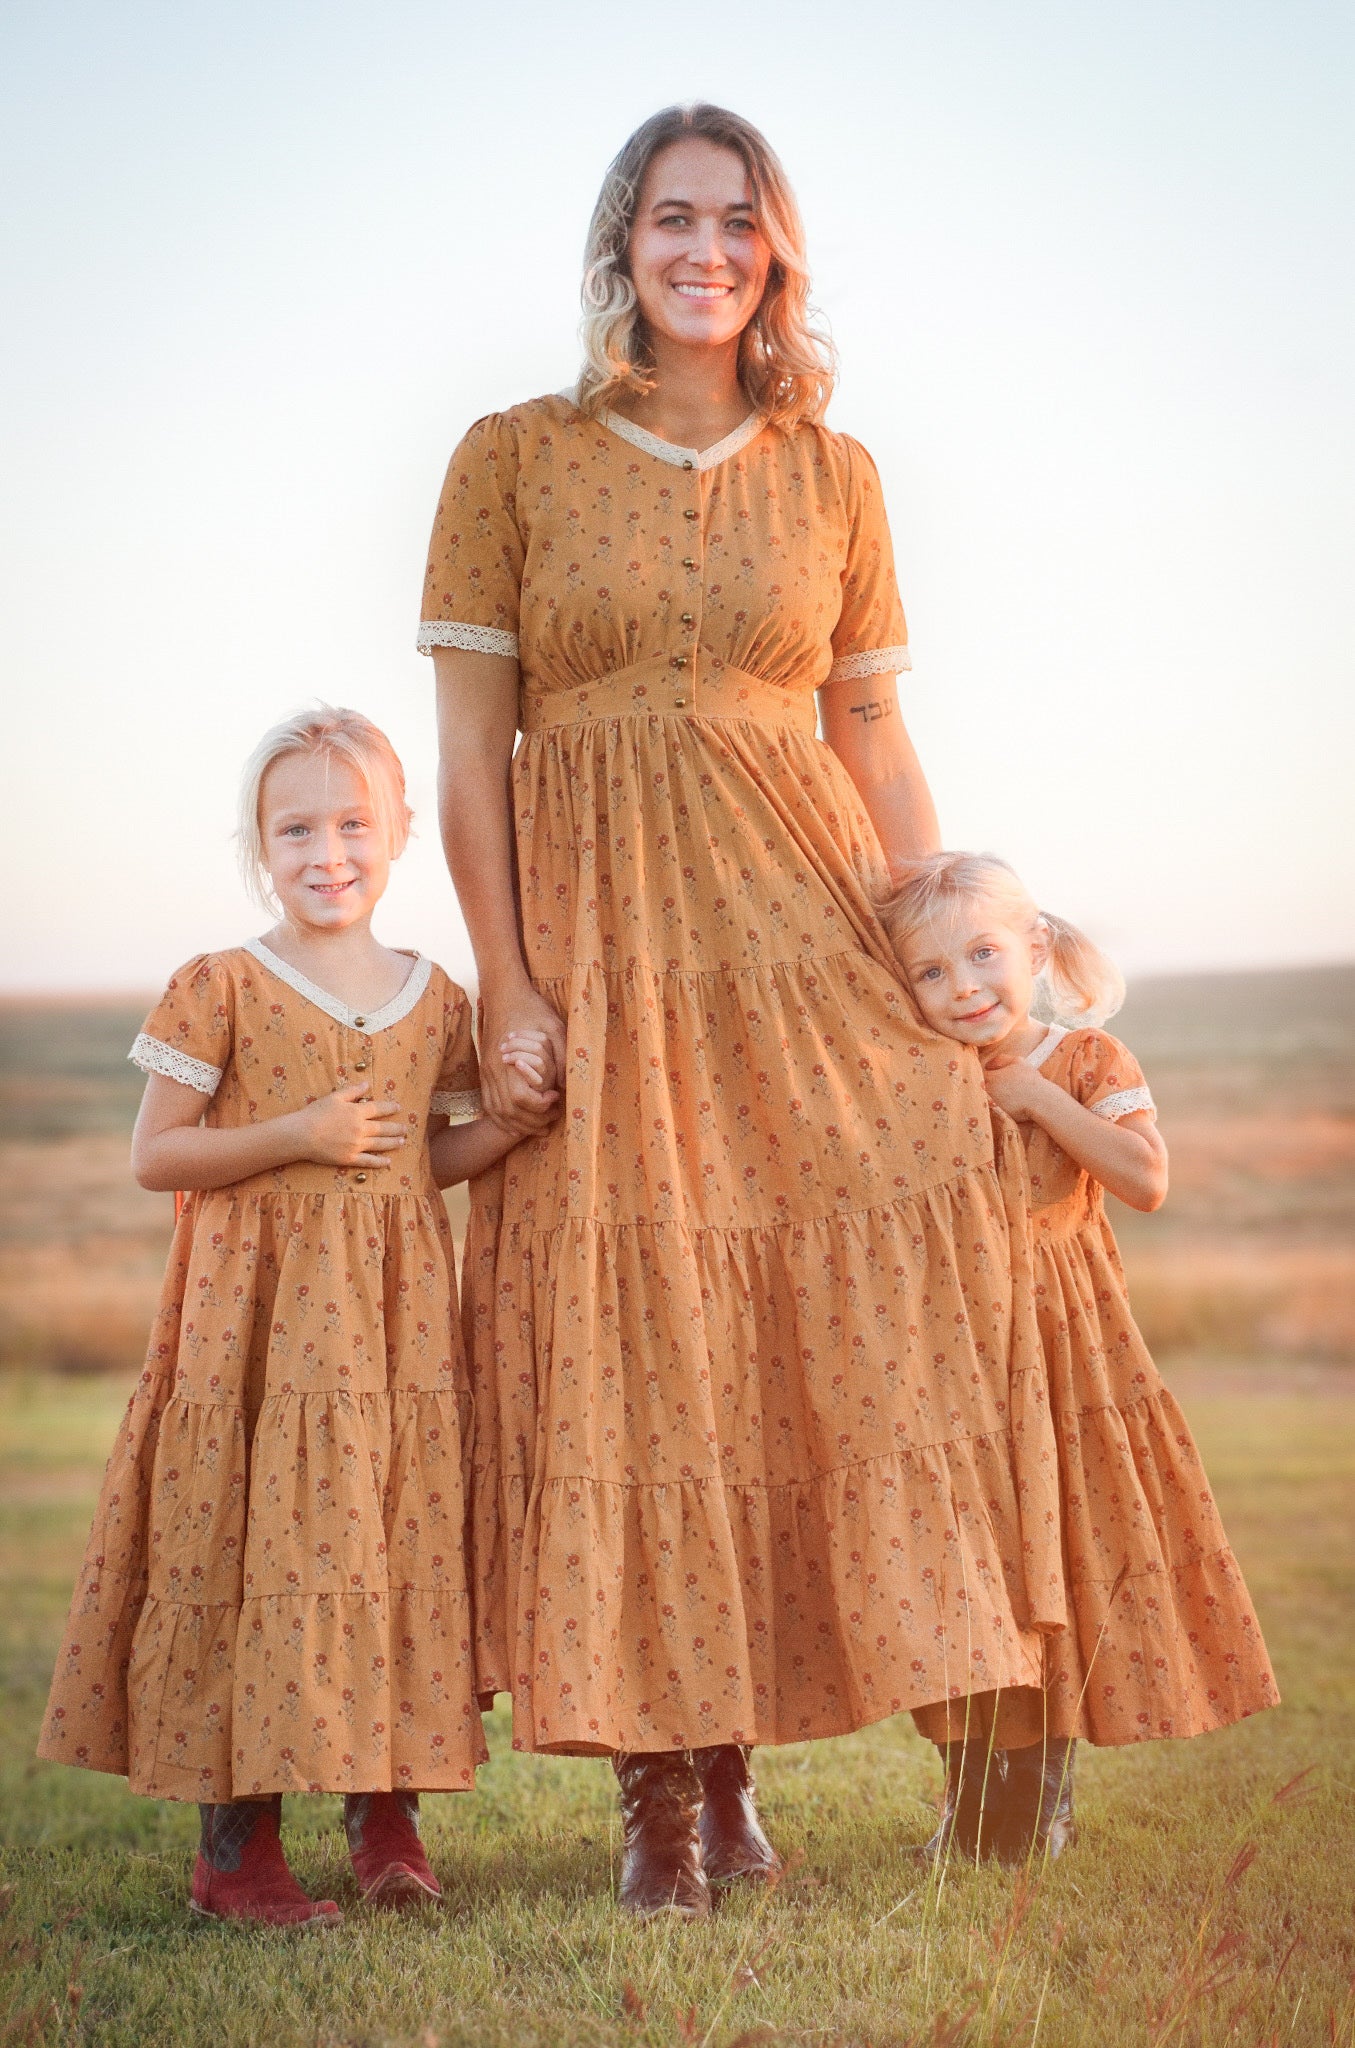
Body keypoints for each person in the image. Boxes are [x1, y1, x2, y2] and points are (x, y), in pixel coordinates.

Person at [424, 104, 1066, 1918]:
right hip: (608, 944)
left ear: (775, 254)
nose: (706, 251)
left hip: (805, 931)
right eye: (672, 220)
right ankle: (663, 1787)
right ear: (622, 242)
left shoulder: (835, 471)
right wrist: (512, 975)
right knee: (637, 1333)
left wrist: (955, 962)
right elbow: (475, 756)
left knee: (865, 1279)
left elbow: (869, 731)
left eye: (741, 224)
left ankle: (978, 1722)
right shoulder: (510, 457)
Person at [38, 707, 556, 1926]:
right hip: (255, 1338)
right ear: (257, 844)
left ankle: (386, 1816)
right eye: (295, 829)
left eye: (351, 823)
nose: (327, 851)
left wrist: (515, 1126)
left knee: (390, 1548)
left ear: (399, 832)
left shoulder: (435, 998)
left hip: (393, 1334)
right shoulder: (219, 984)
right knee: (255, 1550)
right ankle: (237, 1844)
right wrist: (297, 1135)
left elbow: (419, 1161)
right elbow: (156, 1157)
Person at [879, 852, 1279, 1862]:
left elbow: (1144, 1177)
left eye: (981, 954)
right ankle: (968, 1801)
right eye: (929, 972)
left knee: (1054, 1560)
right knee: (966, 1570)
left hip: (1065, 1351)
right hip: (952, 1356)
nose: (962, 986)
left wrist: (1035, 1098)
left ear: (1035, 950)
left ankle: (1034, 1807)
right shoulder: (916, 1077)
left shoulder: (1085, 1057)